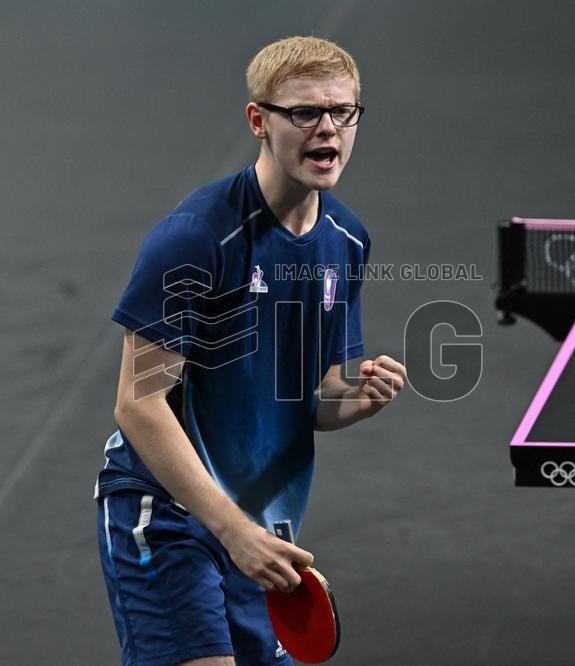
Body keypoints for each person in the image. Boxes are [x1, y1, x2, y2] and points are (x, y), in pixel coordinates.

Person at [95, 35, 407, 666]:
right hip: (171, 515)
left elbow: (315, 396)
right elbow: (139, 404)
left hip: (265, 531)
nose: (328, 128)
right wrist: (231, 530)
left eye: (343, 112)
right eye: (304, 113)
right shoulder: (196, 237)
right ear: (259, 121)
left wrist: (357, 399)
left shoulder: (346, 241)